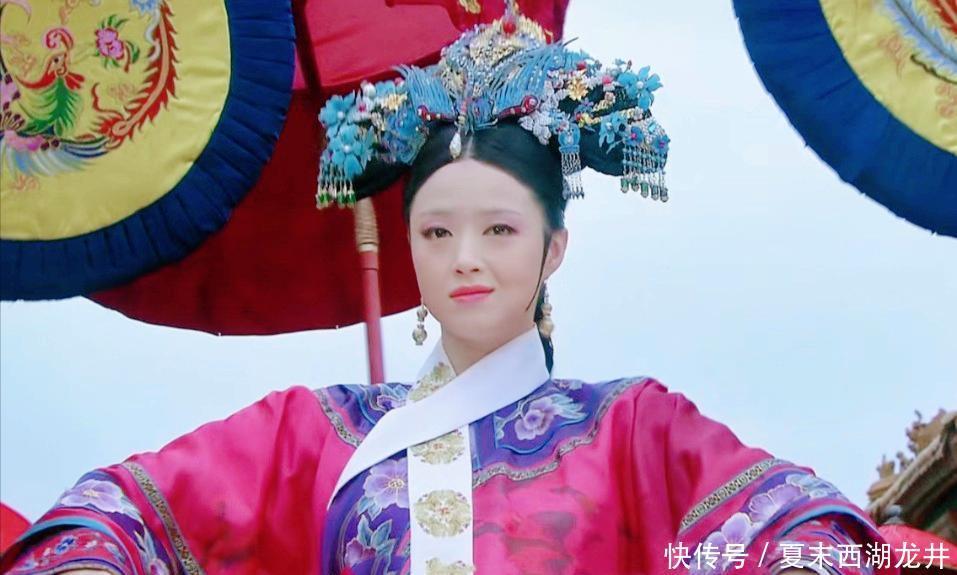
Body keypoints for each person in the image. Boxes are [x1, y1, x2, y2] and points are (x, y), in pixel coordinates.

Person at [1, 3, 894, 574]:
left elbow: (789, 523)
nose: (466, 257)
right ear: (408, 247)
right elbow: (115, 515)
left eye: (498, 230)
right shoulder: (317, 434)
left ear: (552, 249)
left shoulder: (632, 428)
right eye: (437, 231)